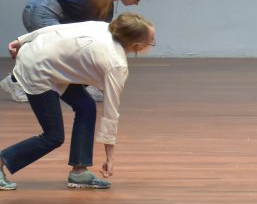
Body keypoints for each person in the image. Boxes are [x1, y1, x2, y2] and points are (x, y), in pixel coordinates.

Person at [0, 12, 156, 191]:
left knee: (86, 107)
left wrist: (22, 39)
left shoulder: (104, 27)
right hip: (37, 69)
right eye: (151, 41)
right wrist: (110, 159)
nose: (152, 43)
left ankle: (79, 172)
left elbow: (56, 29)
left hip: (44, 60)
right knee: (53, 136)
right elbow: (111, 113)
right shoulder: (117, 65)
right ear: (136, 46)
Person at [1, 0, 149, 103]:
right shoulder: (103, 3)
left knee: (69, 49)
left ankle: (84, 86)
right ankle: (15, 81)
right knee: (65, 50)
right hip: (41, 10)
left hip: (41, 5)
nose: (137, 4)